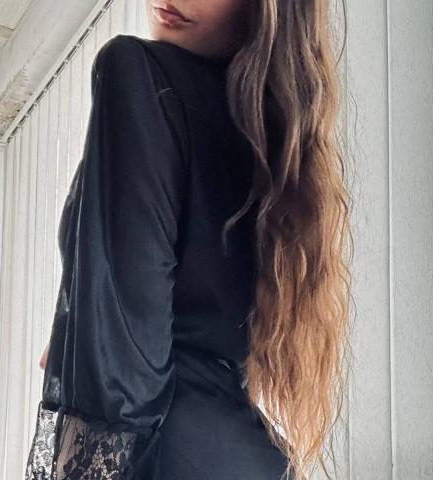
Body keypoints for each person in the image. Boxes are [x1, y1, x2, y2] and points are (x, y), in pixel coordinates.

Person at [24, 1, 352, 479]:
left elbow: (123, 376)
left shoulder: (135, 73)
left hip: (161, 454)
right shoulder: (274, 149)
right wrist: (77, 335)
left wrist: (88, 351)